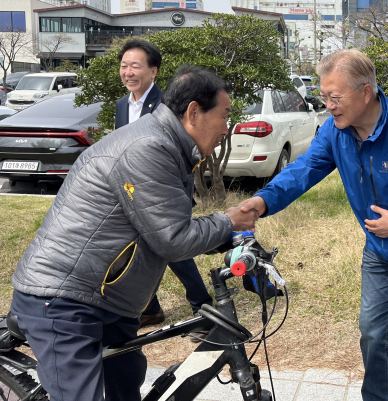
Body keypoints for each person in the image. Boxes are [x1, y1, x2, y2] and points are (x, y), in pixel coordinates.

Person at [10, 65, 258, 401]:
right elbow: (174, 239)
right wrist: (228, 222)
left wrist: (229, 238)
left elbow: (159, 221)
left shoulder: (168, 144)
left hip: (107, 299)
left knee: (126, 388)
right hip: (65, 300)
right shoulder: (148, 147)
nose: (226, 129)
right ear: (194, 112)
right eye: (225, 115)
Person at [239, 49, 388, 401]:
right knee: (372, 334)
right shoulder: (335, 132)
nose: (329, 105)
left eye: (335, 97)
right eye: (323, 97)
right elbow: (304, 170)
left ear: (365, 92)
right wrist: (263, 201)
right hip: (380, 251)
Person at [116, 39, 213, 328]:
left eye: (135, 66)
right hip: (132, 188)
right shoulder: (123, 104)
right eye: (124, 66)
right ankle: (150, 308)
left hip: (162, 185)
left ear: (153, 71)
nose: (128, 72)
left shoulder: (166, 103)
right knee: (137, 248)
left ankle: (203, 306)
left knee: (173, 247)